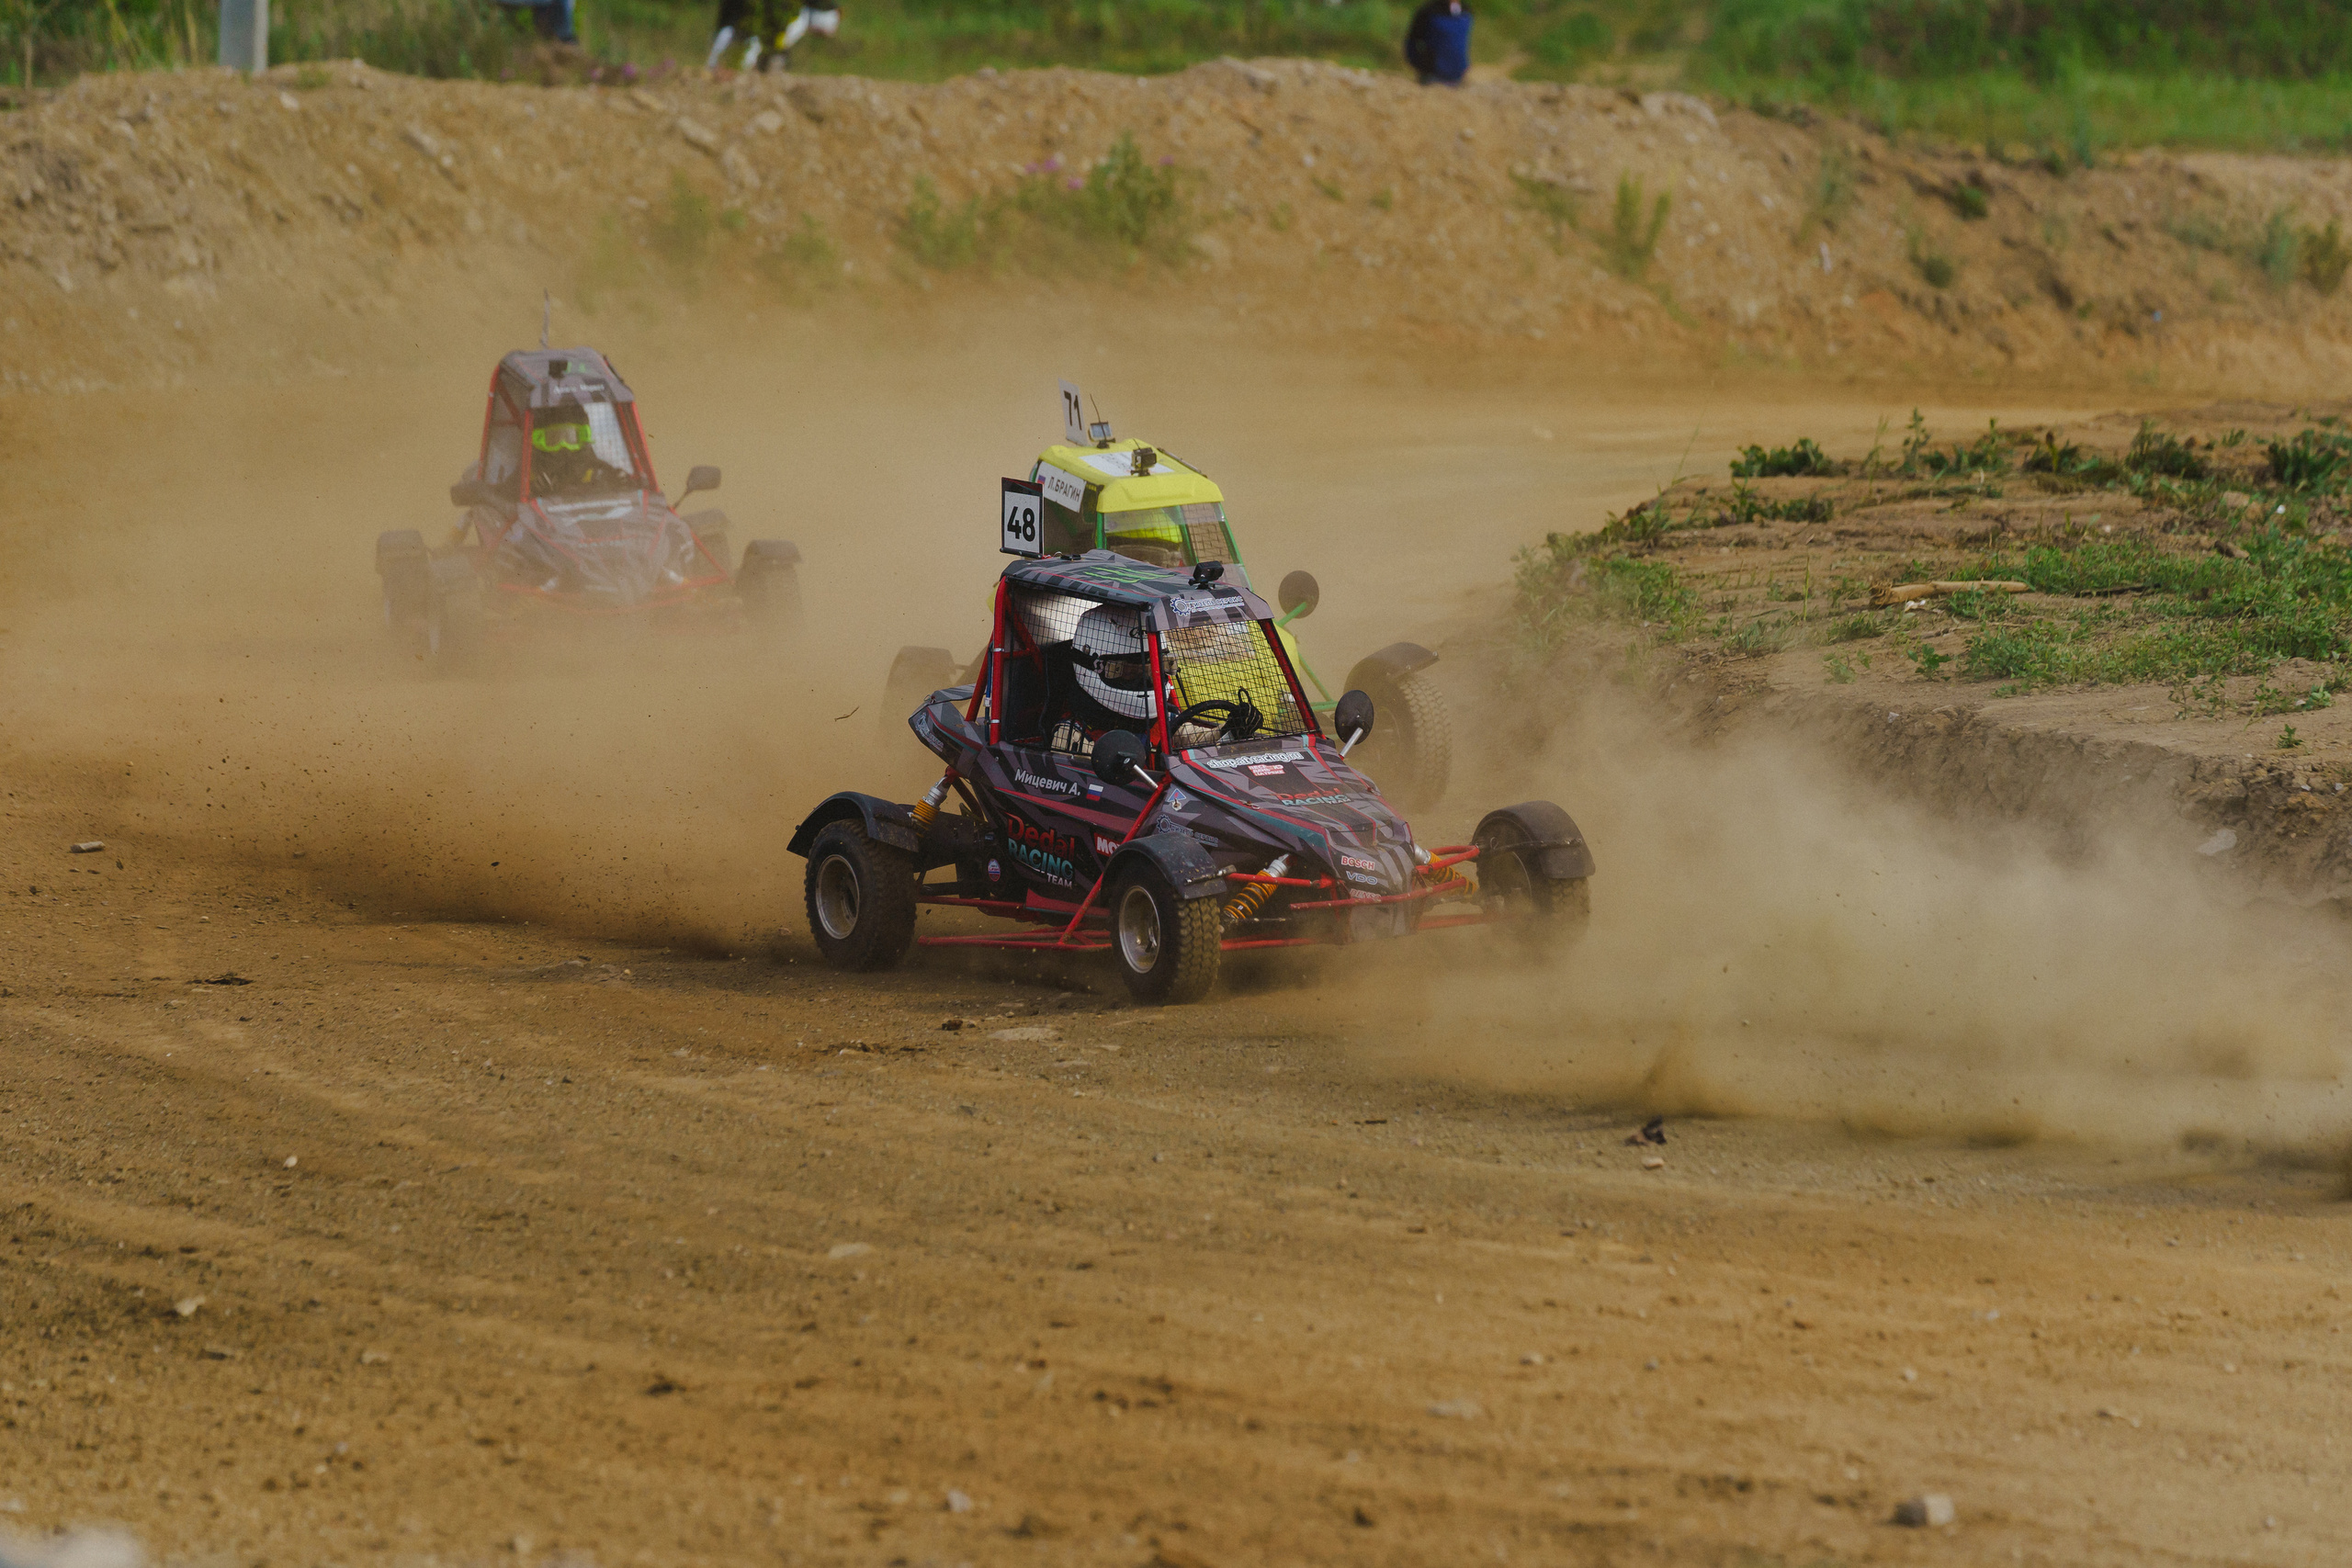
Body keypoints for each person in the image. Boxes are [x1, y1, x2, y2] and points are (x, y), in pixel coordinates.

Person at [1403, 0, 1471, 86]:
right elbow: (1411, 41)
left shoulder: (1466, 11)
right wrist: (1422, 65)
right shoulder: (1428, 11)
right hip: (1433, 77)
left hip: (1458, 77)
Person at [775, 1, 841, 69]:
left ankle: (776, 54)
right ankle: (776, 55)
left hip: (824, 14)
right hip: (815, 12)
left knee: (796, 28)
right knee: (791, 31)